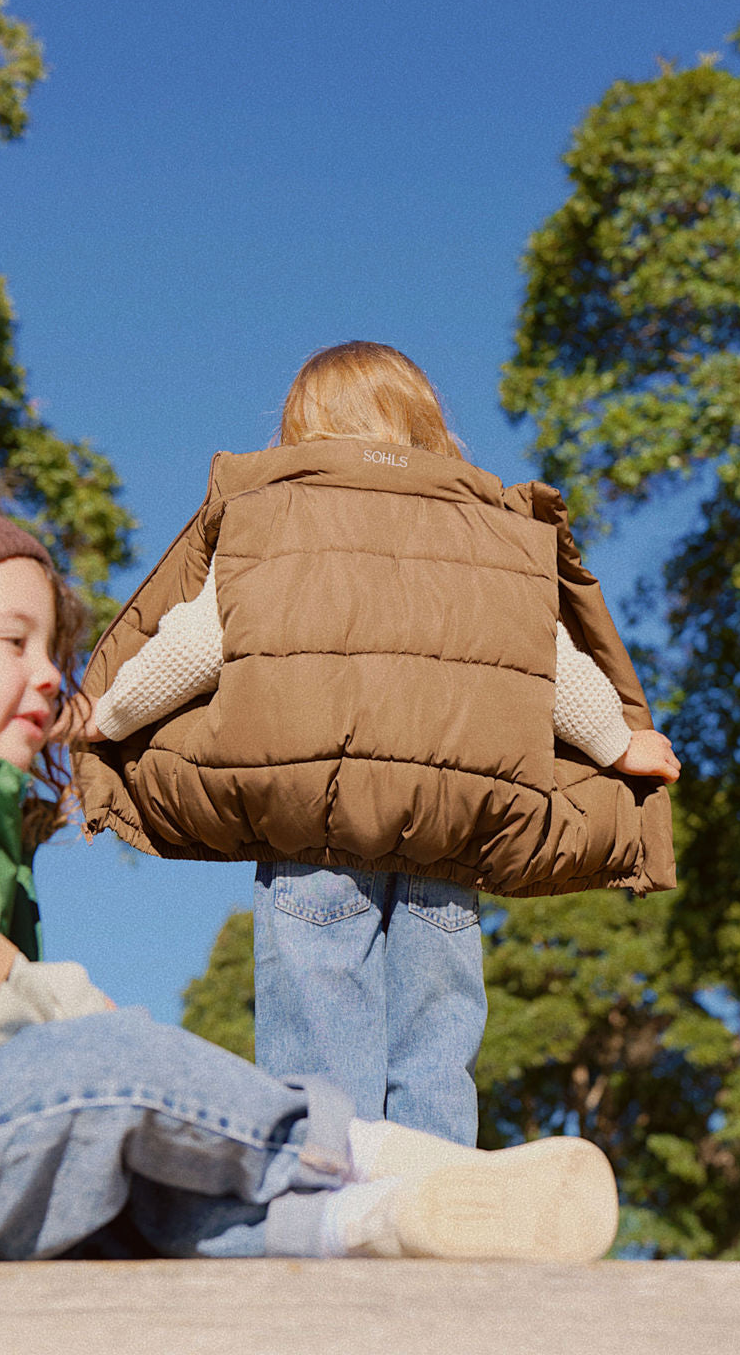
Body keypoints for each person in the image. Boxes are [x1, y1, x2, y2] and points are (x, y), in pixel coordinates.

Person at [0, 466, 621, 1342]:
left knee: (155, 1185)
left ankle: (374, 1227)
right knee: (110, 1073)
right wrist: (82, 1025)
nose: (50, 676)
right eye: (14, 643)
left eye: (54, 651)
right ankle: (378, 1162)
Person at [75, 342, 680, 1149]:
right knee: (438, 1028)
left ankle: (328, 1187)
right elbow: (549, 662)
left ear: (299, 430)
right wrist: (618, 746)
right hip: (449, 826)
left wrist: (103, 716)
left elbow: (194, 644)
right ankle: (436, 1187)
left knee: (319, 1014)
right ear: (429, 426)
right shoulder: (490, 528)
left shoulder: (275, 517)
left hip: (311, 821)